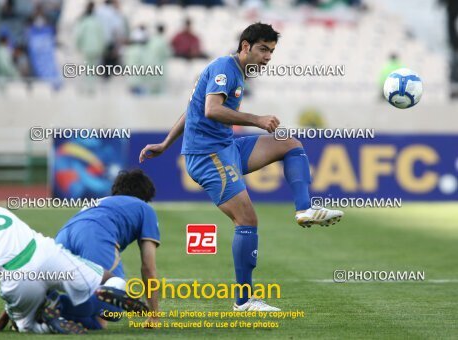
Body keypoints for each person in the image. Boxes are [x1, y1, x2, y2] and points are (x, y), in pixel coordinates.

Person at [139, 22, 343, 312]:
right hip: (208, 155)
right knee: (247, 220)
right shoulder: (225, 67)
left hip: (227, 147)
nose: (268, 57)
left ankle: (304, 209)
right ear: (245, 46)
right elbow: (211, 109)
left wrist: (165, 143)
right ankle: (244, 301)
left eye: (272, 52)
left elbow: (193, 108)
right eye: (263, 49)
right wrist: (257, 119)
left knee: (290, 144)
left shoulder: (236, 71)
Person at [0, 193, 146, 334]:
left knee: (25, 326)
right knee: (107, 278)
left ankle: (49, 318)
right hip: (47, 252)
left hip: (16, 277)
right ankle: (110, 292)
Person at [55, 169, 160, 327]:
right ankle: (58, 307)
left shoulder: (102, 202)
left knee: (46, 281)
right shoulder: (144, 208)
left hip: (63, 235)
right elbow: (148, 267)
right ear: (145, 197)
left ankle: (39, 312)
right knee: (111, 309)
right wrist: (154, 316)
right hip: (94, 235)